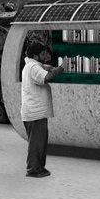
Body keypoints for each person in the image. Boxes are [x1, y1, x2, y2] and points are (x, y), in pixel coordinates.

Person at [21, 42, 64, 178]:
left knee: (39, 142)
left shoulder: (31, 66)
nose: (45, 56)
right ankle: (33, 169)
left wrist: (47, 67)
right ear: (35, 55)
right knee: (36, 144)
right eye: (42, 54)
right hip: (35, 114)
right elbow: (47, 77)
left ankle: (38, 167)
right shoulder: (33, 67)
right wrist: (61, 68)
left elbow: (42, 70)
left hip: (34, 113)